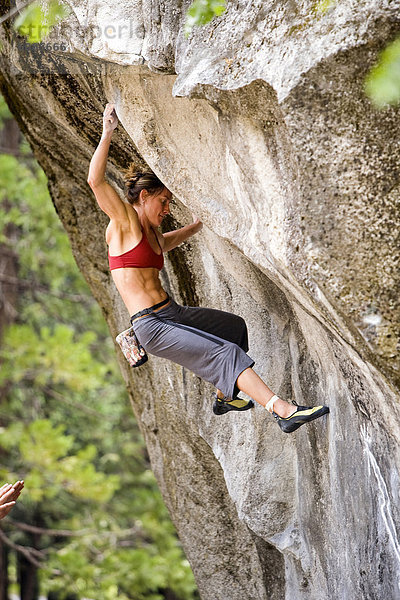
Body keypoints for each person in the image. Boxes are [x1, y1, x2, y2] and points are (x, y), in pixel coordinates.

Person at [87, 104, 329, 433]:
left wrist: (199, 223)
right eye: (163, 202)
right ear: (144, 196)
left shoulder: (153, 235)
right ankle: (282, 410)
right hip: (152, 327)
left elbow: (167, 243)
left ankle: (224, 397)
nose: (167, 209)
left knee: (233, 329)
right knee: (225, 353)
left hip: (170, 313)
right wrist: (107, 132)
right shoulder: (124, 223)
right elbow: (95, 180)